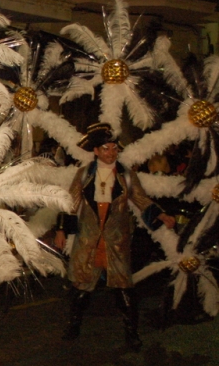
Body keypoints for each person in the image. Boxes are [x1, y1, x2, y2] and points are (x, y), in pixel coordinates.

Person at [54, 123, 176, 351]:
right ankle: (73, 326)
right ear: (96, 151)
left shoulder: (126, 176)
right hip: (89, 240)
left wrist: (160, 214)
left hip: (116, 241)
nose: (111, 153)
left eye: (114, 148)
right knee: (82, 287)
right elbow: (70, 202)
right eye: (106, 148)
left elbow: (141, 200)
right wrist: (61, 230)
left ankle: (132, 333)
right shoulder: (83, 175)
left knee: (123, 288)